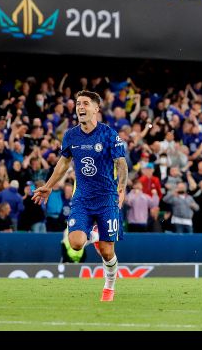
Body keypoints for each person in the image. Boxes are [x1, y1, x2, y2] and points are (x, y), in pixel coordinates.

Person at [33, 90, 128, 302]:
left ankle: (109, 287)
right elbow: (63, 164)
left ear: (96, 108)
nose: (80, 107)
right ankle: (92, 235)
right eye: (78, 103)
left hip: (107, 198)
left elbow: (121, 164)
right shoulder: (70, 135)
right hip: (82, 198)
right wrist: (48, 186)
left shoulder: (109, 134)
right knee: (75, 243)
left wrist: (121, 189)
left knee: (106, 251)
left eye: (85, 103)